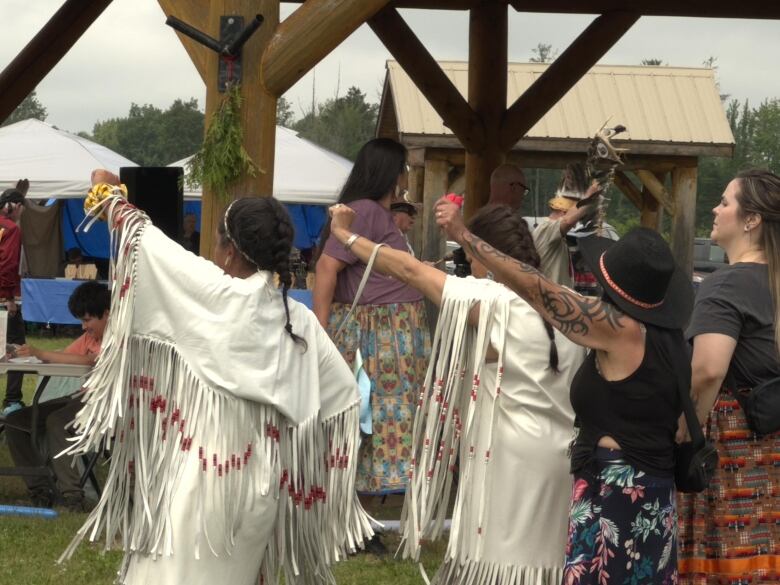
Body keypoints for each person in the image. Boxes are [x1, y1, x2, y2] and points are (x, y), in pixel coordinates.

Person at [59, 171, 371, 585]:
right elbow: (344, 397)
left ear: (228, 250)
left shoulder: (214, 295)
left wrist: (109, 194)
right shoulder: (298, 321)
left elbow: (142, 240)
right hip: (264, 479)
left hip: (207, 474)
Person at [435, 198, 694, 584]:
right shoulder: (666, 339)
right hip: (644, 485)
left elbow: (534, 289)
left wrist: (462, 235)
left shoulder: (617, 330)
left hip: (618, 489)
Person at [328, 202, 586, 583]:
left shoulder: (491, 301)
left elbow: (407, 269)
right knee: (545, 564)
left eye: (471, 258)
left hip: (509, 455)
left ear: (486, 254)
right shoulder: (570, 303)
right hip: (562, 454)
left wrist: (344, 234)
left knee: (499, 563)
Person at [314, 138, 431, 503]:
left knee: (383, 417)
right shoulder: (363, 209)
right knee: (373, 416)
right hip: (378, 337)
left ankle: (369, 502)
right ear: (391, 172)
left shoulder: (374, 213)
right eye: (403, 168)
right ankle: (357, 506)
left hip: (392, 334)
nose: (406, 175)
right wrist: (321, 333)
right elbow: (326, 267)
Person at [678, 169, 780, 585]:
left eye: (724, 202)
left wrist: (688, 428)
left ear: (751, 219)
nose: (716, 211)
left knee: (723, 560)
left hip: (732, 455)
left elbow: (707, 369)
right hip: (772, 452)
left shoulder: (727, 284)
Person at [4, 281, 109, 511]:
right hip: (80, 397)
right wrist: (24, 355)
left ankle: (72, 496)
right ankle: (41, 489)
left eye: (88, 319)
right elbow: (64, 355)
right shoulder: (91, 337)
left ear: (106, 314)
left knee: (57, 421)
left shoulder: (117, 337)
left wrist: (41, 352)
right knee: (15, 421)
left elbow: (90, 361)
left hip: (104, 403)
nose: (83, 326)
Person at [532, 164, 601, 287]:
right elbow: (568, 221)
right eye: (576, 217)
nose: (574, 226)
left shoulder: (556, 237)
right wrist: (590, 196)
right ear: (565, 212)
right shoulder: (546, 228)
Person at [0, 182, 28, 416]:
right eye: (22, 209)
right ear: (16, 206)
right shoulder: (11, 228)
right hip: (4, 299)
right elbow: (7, 264)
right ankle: (12, 403)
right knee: (16, 349)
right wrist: (10, 298)